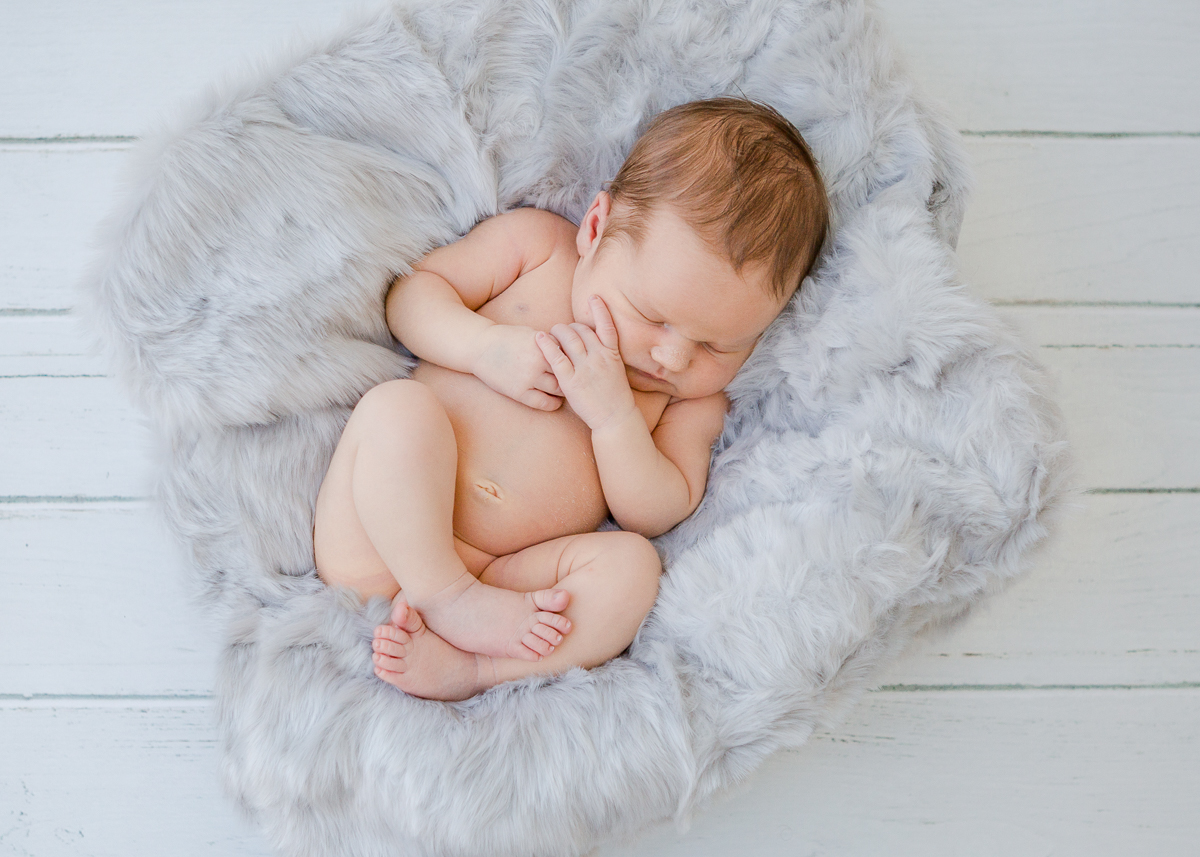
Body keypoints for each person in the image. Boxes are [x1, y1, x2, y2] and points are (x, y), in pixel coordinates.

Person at [313, 98, 828, 701]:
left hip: (508, 587)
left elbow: (660, 509)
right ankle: (445, 597)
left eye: (721, 344)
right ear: (594, 229)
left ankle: (477, 670)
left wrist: (615, 419)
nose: (674, 358)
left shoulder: (691, 403)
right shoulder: (537, 249)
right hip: (380, 540)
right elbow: (409, 299)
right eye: (651, 315)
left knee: (634, 571)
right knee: (396, 410)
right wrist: (485, 348)